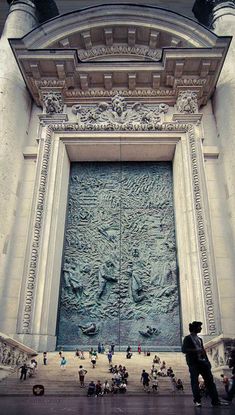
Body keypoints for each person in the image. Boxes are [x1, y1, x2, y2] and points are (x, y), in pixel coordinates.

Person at [182, 321, 229, 407]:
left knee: (210, 382)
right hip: (193, 363)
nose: (201, 328)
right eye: (199, 327)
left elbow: (203, 351)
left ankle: (215, 401)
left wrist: (207, 361)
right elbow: (184, 350)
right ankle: (197, 400)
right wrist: (196, 350)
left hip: (203, 363)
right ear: (195, 328)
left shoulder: (200, 339)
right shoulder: (187, 338)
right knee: (194, 382)